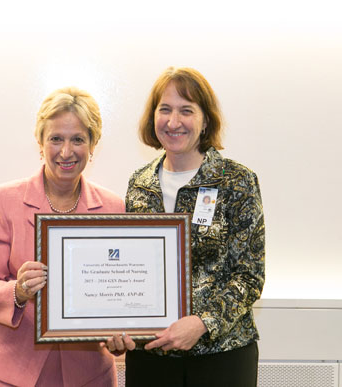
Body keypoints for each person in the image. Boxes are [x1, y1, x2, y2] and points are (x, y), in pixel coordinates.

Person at [105, 67, 265, 387]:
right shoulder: (140, 184)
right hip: (151, 356)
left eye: (186, 110)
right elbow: (131, 269)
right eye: (164, 109)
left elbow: (250, 275)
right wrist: (116, 324)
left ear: (206, 120)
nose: (173, 121)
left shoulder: (236, 181)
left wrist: (202, 323)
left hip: (221, 356)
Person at [0, 87, 125, 387]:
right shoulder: (3, 200)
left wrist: (120, 334)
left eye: (78, 139)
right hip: (4, 372)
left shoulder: (114, 208)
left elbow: (116, 293)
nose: (66, 151)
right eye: (56, 139)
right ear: (40, 143)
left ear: (93, 145)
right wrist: (17, 292)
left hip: (86, 374)